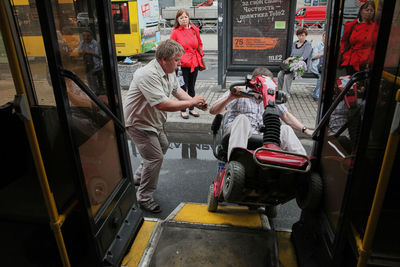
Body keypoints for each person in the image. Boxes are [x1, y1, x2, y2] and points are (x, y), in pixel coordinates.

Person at [123, 39, 208, 213]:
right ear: (163, 59)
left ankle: (138, 178)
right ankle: (144, 198)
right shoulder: (147, 74)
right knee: (155, 157)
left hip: (154, 122)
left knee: (163, 145)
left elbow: (177, 91)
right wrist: (191, 102)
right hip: (139, 123)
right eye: (176, 60)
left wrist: (194, 103)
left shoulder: (169, 71)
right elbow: (162, 104)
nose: (179, 64)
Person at [209, 67, 313, 161]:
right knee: (242, 119)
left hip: (262, 133)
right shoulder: (240, 91)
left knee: (286, 130)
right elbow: (213, 110)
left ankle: (302, 164)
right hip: (238, 131)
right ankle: (236, 161)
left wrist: (306, 130)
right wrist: (231, 97)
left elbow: (286, 116)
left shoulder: (270, 95)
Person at [170, 9, 205, 119]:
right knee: (182, 88)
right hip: (181, 64)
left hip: (194, 62)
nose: (184, 19)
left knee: (192, 87)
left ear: (189, 18)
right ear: (177, 20)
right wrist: (176, 59)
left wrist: (200, 55)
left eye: (185, 17)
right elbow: (171, 47)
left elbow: (199, 43)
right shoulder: (175, 32)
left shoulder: (194, 29)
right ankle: (183, 109)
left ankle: (192, 108)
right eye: (181, 18)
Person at [339, 1, 378, 75]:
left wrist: (370, 60)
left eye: (371, 10)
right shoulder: (352, 25)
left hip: (365, 63)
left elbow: (375, 46)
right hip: (351, 60)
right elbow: (344, 41)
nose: (369, 12)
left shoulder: (375, 27)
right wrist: (344, 54)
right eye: (367, 10)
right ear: (361, 11)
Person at [277, 28, 312, 96]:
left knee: (287, 76)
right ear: (297, 36)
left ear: (306, 35)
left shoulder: (308, 44)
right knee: (280, 74)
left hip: (301, 65)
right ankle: (279, 92)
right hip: (292, 63)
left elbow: (304, 57)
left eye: (303, 35)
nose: (301, 37)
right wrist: (288, 59)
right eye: (299, 35)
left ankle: (285, 94)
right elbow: (292, 54)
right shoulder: (294, 43)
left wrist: (292, 59)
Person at [76, 29, 104, 95]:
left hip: (95, 65)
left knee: (94, 80)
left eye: (88, 36)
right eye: (84, 36)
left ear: (91, 36)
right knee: (89, 79)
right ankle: (92, 92)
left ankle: (96, 93)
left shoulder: (95, 43)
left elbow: (97, 54)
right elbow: (78, 50)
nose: (86, 37)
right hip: (87, 65)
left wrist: (87, 51)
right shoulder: (83, 42)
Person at [310, 32, 326, 100]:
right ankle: (316, 95)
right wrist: (322, 54)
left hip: (325, 67)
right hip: (317, 66)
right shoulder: (318, 45)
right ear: (322, 37)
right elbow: (313, 56)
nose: (325, 38)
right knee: (322, 76)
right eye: (324, 37)